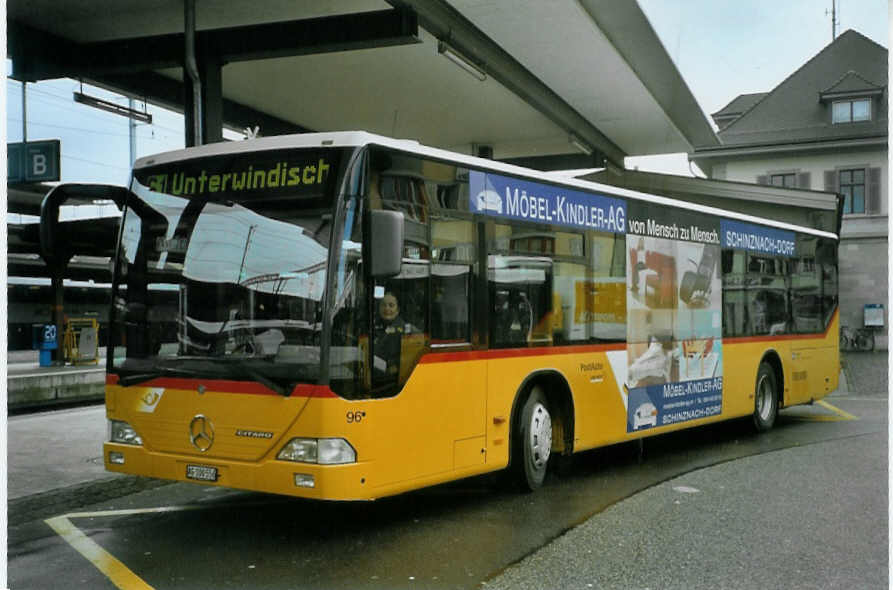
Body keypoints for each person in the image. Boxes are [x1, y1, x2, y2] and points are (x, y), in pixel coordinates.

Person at [373, 292, 408, 379]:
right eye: (383, 305)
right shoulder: (375, 326)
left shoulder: (405, 330)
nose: (387, 308)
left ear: (397, 310)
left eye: (391, 305)